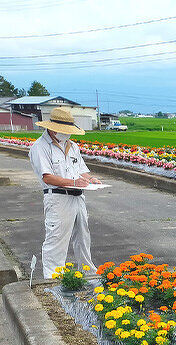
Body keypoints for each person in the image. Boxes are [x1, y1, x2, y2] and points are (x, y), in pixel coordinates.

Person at [28, 107, 101, 279]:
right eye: (64, 130)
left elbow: (82, 171)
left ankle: (88, 273)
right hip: (58, 198)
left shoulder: (72, 146)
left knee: (83, 237)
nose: (66, 134)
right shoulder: (40, 147)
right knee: (56, 239)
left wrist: (91, 179)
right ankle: (53, 279)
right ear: (53, 128)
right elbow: (47, 177)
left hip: (78, 197)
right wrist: (73, 182)